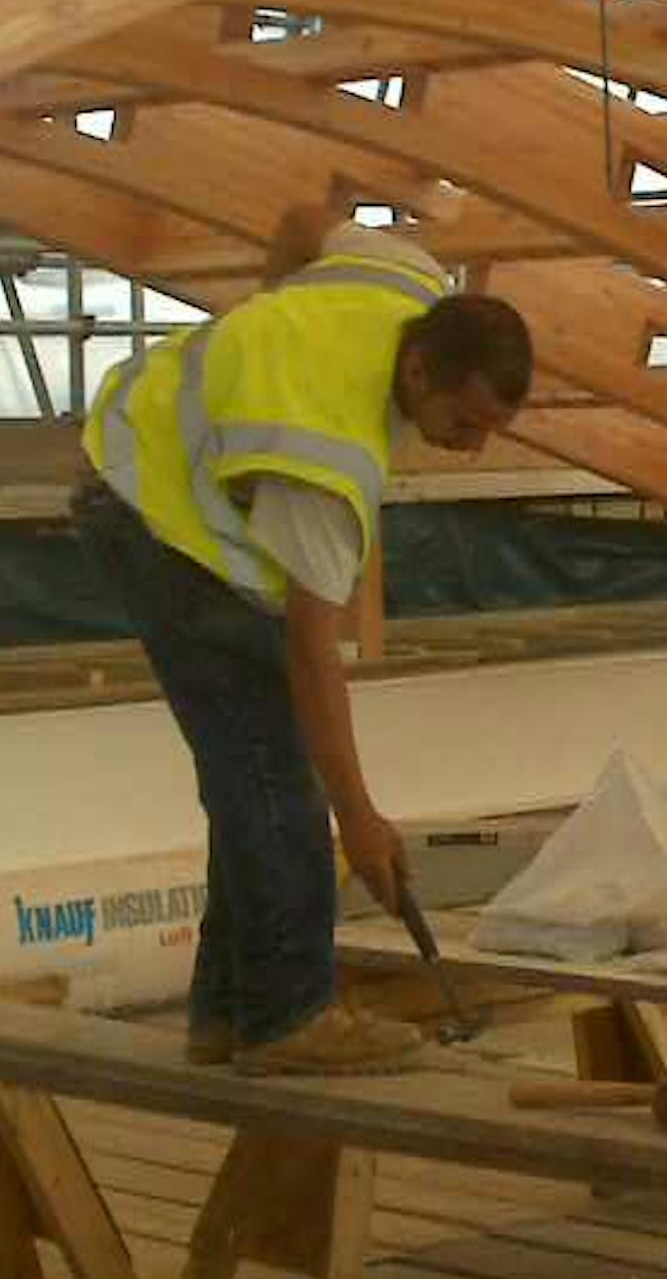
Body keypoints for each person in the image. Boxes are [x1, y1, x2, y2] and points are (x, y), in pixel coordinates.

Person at [71, 197, 534, 1073]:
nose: (472, 448)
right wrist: (359, 819)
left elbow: (299, 219)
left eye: (491, 431)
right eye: (465, 425)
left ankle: (226, 1013)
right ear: (421, 372)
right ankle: (287, 1018)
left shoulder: (404, 276)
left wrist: (267, 318)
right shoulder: (324, 459)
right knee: (276, 774)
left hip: (149, 450)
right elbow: (312, 657)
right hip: (150, 512)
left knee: (251, 768)